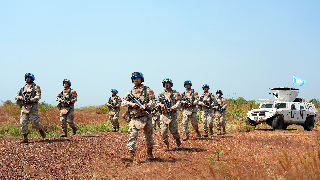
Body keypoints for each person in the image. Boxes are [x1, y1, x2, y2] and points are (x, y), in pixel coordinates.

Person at [121, 72, 155, 162]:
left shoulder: (147, 90)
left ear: (141, 79)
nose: (135, 80)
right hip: (134, 118)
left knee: (149, 137)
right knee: (132, 136)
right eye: (134, 79)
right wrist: (131, 103)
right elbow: (123, 102)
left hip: (146, 116)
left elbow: (153, 102)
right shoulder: (130, 92)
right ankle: (130, 155)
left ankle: (150, 153)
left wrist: (146, 106)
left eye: (137, 78)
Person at [15, 73, 46, 143]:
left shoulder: (36, 87)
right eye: (26, 78)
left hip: (33, 108)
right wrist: (19, 97)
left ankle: (40, 129)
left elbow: (38, 97)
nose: (26, 79)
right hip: (24, 108)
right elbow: (16, 96)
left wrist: (31, 100)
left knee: (35, 123)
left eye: (28, 78)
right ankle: (25, 138)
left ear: (31, 79)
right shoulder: (22, 88)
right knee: (23, 122)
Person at [156, 78, 182, 151]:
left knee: (174, 131)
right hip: (164, 115)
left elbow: (179, 102)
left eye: (168, 83)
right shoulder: (161, 94)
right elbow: (156, 102)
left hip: (172, 115)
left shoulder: (175, 93)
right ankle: (166, 145)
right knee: (163, 131)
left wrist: (173, 107)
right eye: (165, 84)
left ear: (171, 84)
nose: (166, 85)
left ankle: (177, 139)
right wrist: (160, 105)